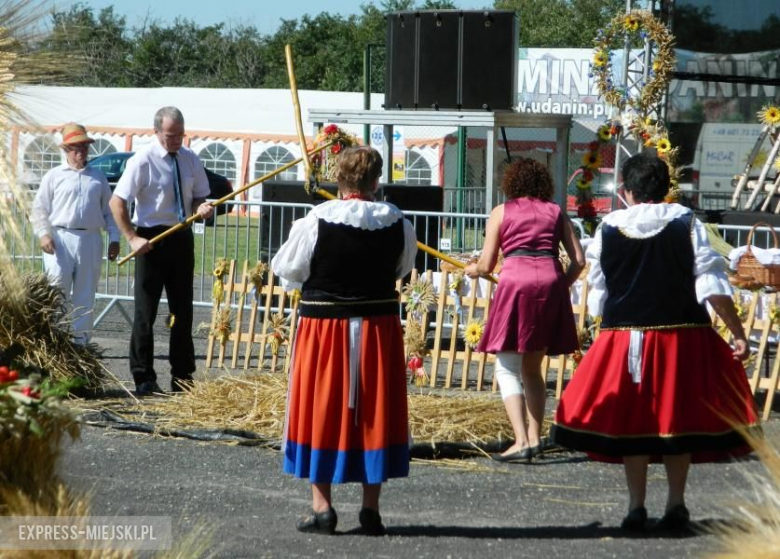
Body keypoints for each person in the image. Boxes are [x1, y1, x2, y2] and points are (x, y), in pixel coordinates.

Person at [551, 153, 759, 532]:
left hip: (624, 337)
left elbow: (600, 293)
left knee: (634, 421)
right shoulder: (686, 223)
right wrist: (738, 332)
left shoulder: (609, 228)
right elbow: (710, 283)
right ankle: (676, 503)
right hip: (681, 338)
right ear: (664, 188)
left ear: (627, 191)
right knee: (677, 418)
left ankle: (636, 507)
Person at [271, 146, 417, 535]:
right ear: (376, 181)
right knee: (374, 410)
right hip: (377, 329)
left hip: (325, 330)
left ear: (339, 179)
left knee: (321, 407)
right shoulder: (397, 222)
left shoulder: (316, 220)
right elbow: (402, 267)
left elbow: (288, 270)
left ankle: (323, 508)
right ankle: (371, 510)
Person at [465, 158, 586, 463]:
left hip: (516, 282)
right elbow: (579, 260)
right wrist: (561, 286)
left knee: (506, 367)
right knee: (532, 368)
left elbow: (487, 263)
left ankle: (520, 440)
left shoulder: (501, 212)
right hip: (550, 280)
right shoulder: (556, 211)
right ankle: (534, 437)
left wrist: (473, 270)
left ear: (511, 183)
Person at [109, 106, 214, 396]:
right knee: (146, 312)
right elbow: (117, 202)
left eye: (180, 134)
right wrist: (131, 237)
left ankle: (182, 376)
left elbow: (198, 197)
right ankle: (143, 376)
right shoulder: (142, 160)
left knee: (183, 310)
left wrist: (201, 208)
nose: (176, 140)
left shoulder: (190, 158)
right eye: (170, 135)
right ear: (156, 132)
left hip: (181, 236)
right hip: (150, 239)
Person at [30, 123, 121, 344]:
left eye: (84, 146)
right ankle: (55, 342)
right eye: (76, 147)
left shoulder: (98, 177)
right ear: (66, 149)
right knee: (56, 291)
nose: (81, 151)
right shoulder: (54, 176)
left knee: (86, 294)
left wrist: (115, 238)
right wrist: (43, 234)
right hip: (60, 238)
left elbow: (109, 211)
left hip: (90, 238)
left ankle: (81, 344)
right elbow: (39, 208)